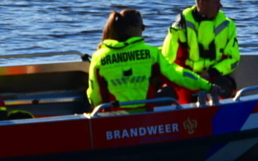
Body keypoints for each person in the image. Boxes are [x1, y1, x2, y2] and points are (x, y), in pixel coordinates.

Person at [87, 8, 217, 111]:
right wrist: (207, 86)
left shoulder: (98, 57)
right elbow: (177, 75)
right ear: (131, 29)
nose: (143, 31)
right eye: (142, 27)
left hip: (112, 119)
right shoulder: (150, 53)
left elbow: (94, 94)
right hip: (145, 117)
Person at [161, 0, 241, 102]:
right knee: (167, 92)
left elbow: (233, 59)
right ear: (202, 3)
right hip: (187, 78)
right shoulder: (179, 27)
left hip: (214, 76)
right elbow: (168, 61)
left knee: (224, 85)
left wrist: (210, 73)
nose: (221, 6)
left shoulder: (228, 25)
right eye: (216, 2)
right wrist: (187, 76)